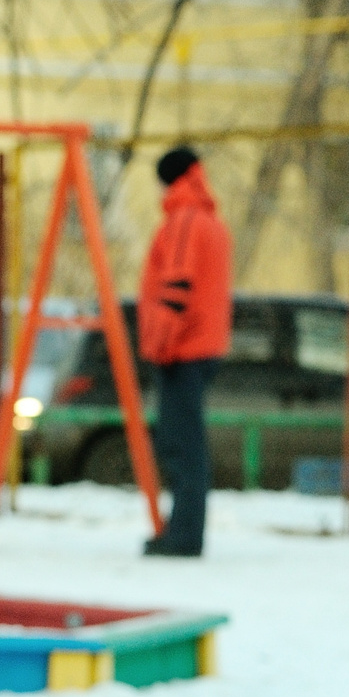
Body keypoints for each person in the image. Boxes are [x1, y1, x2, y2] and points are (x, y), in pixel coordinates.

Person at [137, 143, 233, 557]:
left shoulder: (184, 220)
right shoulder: (211, 221)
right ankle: (184, 530)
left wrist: (157, 345)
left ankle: (183, 536)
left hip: (183, 348)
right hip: (204, 345)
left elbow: (175, 288)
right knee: (187, 442)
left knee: (180, 444)